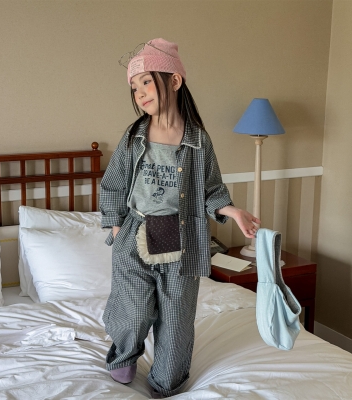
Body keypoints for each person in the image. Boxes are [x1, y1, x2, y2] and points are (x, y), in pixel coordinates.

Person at [100, 38, 260, 399]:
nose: (140, 93)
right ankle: (123, 356)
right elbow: (112, 185)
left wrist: (232, 211)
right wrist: (116, 226)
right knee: (134, 310)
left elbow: (211, 188)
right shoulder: (133, 137)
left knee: (176, 318)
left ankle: (167, 380)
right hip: (135, 233)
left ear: (174, 81)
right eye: (134, 86)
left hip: (181, 238)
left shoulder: (198, 141)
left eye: (146, 81)